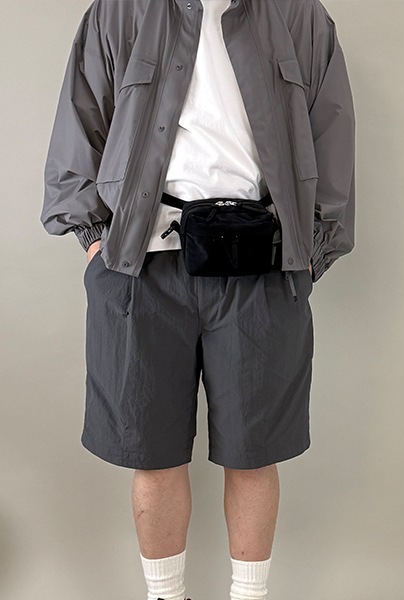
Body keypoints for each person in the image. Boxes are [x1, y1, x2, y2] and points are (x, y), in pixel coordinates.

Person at [41, 0, 355, 598]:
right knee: (152, 451)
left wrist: (312, 246)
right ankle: (166, 596)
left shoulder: (297, 15)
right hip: (142, 265)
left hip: (261, 262)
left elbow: (332, 129)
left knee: (255, 451)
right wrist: (94, 239)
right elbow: (79, 120)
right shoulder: (120, 11)